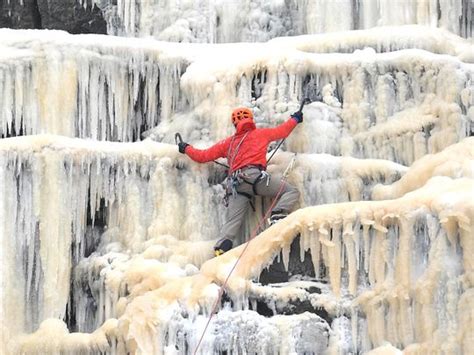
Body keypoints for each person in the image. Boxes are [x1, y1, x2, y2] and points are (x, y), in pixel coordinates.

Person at [178, 107, 302, 256]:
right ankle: (277, 214)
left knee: (232, 222)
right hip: (255, 178)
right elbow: (283, 131)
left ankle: (221, 248)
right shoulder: (261, 134)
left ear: (235, 124)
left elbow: (202, 156)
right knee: (291, 191)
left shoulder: (227, 143)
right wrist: (295, 118)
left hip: (236, 185)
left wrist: (186, 148)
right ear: (251, 119)